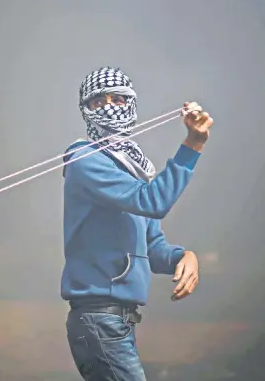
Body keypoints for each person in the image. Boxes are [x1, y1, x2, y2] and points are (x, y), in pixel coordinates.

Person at [60, 67, 214, 380]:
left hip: (117, 321)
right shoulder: (85, 159)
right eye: (98, 101)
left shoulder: (133, 169)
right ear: (84, 110)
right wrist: (193, 146)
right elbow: (152, 202)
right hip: (99, 317)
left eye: (118, 98)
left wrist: (185, 256)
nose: (109, 107)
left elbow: (153, 247)